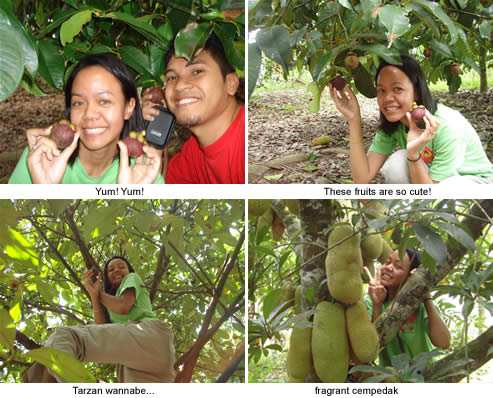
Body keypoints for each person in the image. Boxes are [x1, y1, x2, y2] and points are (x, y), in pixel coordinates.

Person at [330, 55, 493, 184]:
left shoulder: (446, 127)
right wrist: (354, 119)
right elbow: (362, 179)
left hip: (475, 182)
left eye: (397, 89)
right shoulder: (394, 124)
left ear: (415, 92)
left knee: (449, 186)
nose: (387, 98)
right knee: (397, 164)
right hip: (433, 181)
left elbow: (432, 195)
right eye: (381, 90)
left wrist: (414, 154)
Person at [9, 53, 164, 184]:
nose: (89, 114)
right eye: (79, 103)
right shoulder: (41, 156)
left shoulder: (143, 172)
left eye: (104, 101)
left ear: (128, 108)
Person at [22, 256, 175, 383]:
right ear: (107, 277)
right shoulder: (111, 302)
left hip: (148, 335)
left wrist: (98, 294)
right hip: (144, 359)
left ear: (128, 271)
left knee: (64, 337)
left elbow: (123, 306)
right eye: (111, 269)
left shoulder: (132, 278)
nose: (116, 270)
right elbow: (101, 327)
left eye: (121, 266)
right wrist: (95, 297)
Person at [141, 32, 245, 184]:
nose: (180, 85)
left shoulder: (243, 140)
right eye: (172, 77)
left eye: (197, 72)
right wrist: (156, 136)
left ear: (230, 84)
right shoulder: (193, 153)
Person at [364, 248, 450, 367]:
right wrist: (377, 304)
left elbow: (443, 343)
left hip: (424, 376)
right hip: (391, 379)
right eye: (387, 262)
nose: (389, 268)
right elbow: (371, 346)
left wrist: (426, 298)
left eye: (398, 266)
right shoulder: (371, 300)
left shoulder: (421, 304)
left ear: (410, 276)